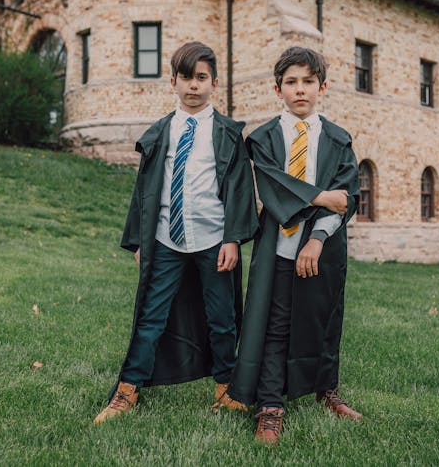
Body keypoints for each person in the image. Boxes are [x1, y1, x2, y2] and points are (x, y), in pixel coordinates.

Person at [93, 41, 259, 424]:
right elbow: (145, 190)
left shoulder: (227, 134)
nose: (194, 86)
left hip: (214, 241)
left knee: (221, 319)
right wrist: (139, 241)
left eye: (202, 78)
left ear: (214, 83)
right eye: (186, 77)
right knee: (151, 317)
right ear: (173, 81)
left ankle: (227, 388)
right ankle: (128, 390)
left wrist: (233, 238)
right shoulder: (161, 133)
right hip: (166, 239)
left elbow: (238, 190)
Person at [228, 47, 361, 444]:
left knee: (325, 321)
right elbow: (273, 188)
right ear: (277, 88)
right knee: (276, 325)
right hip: (280, 251)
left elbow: (348, 195)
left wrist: (317, 238)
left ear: (323, 86)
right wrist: (321, 197)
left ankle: (327, 391)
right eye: (291, 83)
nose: (300, 90)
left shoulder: (339, 139)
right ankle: (270, 406)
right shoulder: (264, 139)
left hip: (325, 248)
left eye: (308, 82)